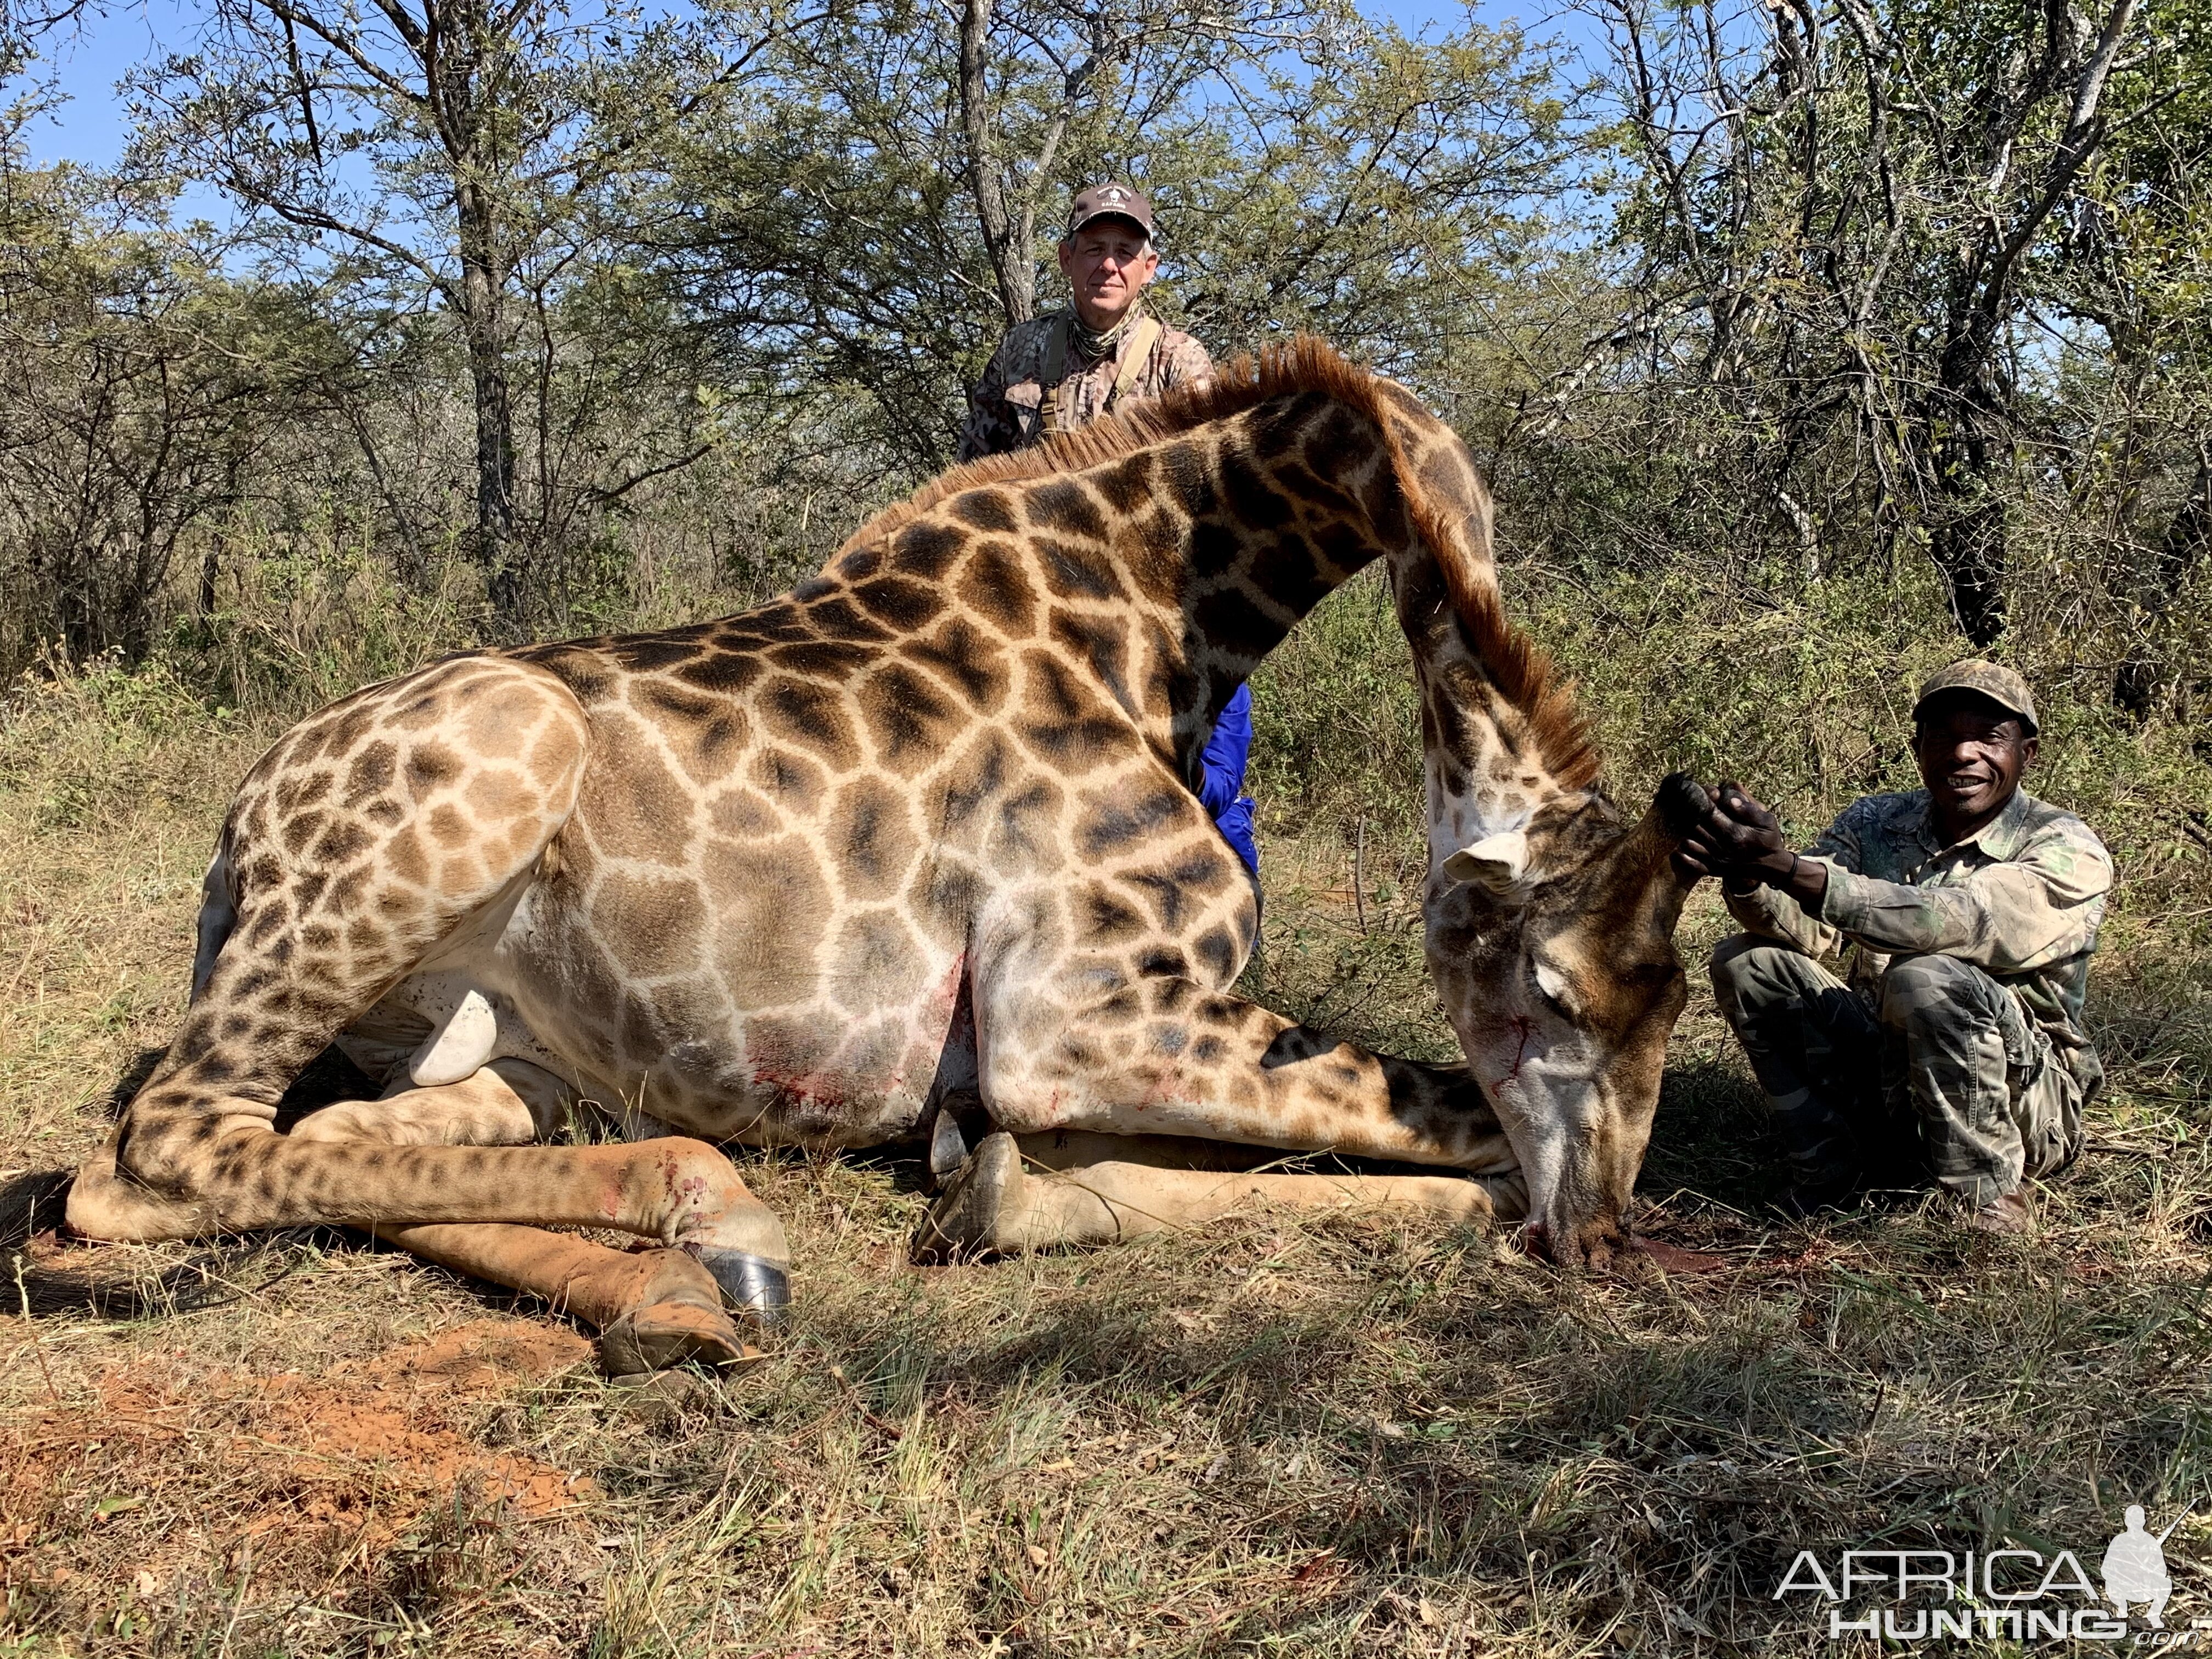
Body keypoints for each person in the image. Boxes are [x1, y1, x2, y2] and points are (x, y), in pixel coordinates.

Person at [1675, 660, 2113, 1232]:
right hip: (1895, 1068)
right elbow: (1810, 930)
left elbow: (1955, 921)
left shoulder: (2064, 848)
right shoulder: (1878, 820)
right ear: (1918, 747)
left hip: (2027, 1101)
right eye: (1944, 737)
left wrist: (1789, 868)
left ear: (2026, 754)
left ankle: (1986, 1202)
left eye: (1988, 737)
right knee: (1750, 963)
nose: (1962, 755)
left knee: (1927, 976)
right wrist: (1749, 873)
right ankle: (1833, 1171)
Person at [958, 183, 1256, 874]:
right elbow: (974, 479)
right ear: (1066, 258)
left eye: (1126, 251)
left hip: (1146, 611)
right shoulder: (1022, 351)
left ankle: (1225, 930)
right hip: (1033, 606)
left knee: (1197, 795)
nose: (1109, 265)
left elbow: (1206, 509)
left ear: (1149, 268)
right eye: (1094, 249)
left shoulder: (1179, 361)